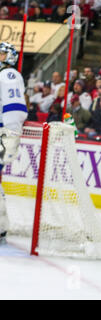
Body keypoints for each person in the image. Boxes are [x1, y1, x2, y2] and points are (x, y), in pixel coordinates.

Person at [0, 42, 28, 243]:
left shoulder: (9, 75)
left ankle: (1, 226)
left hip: (4, 132)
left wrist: (10, 133)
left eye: (1, 54)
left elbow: (16, 108)